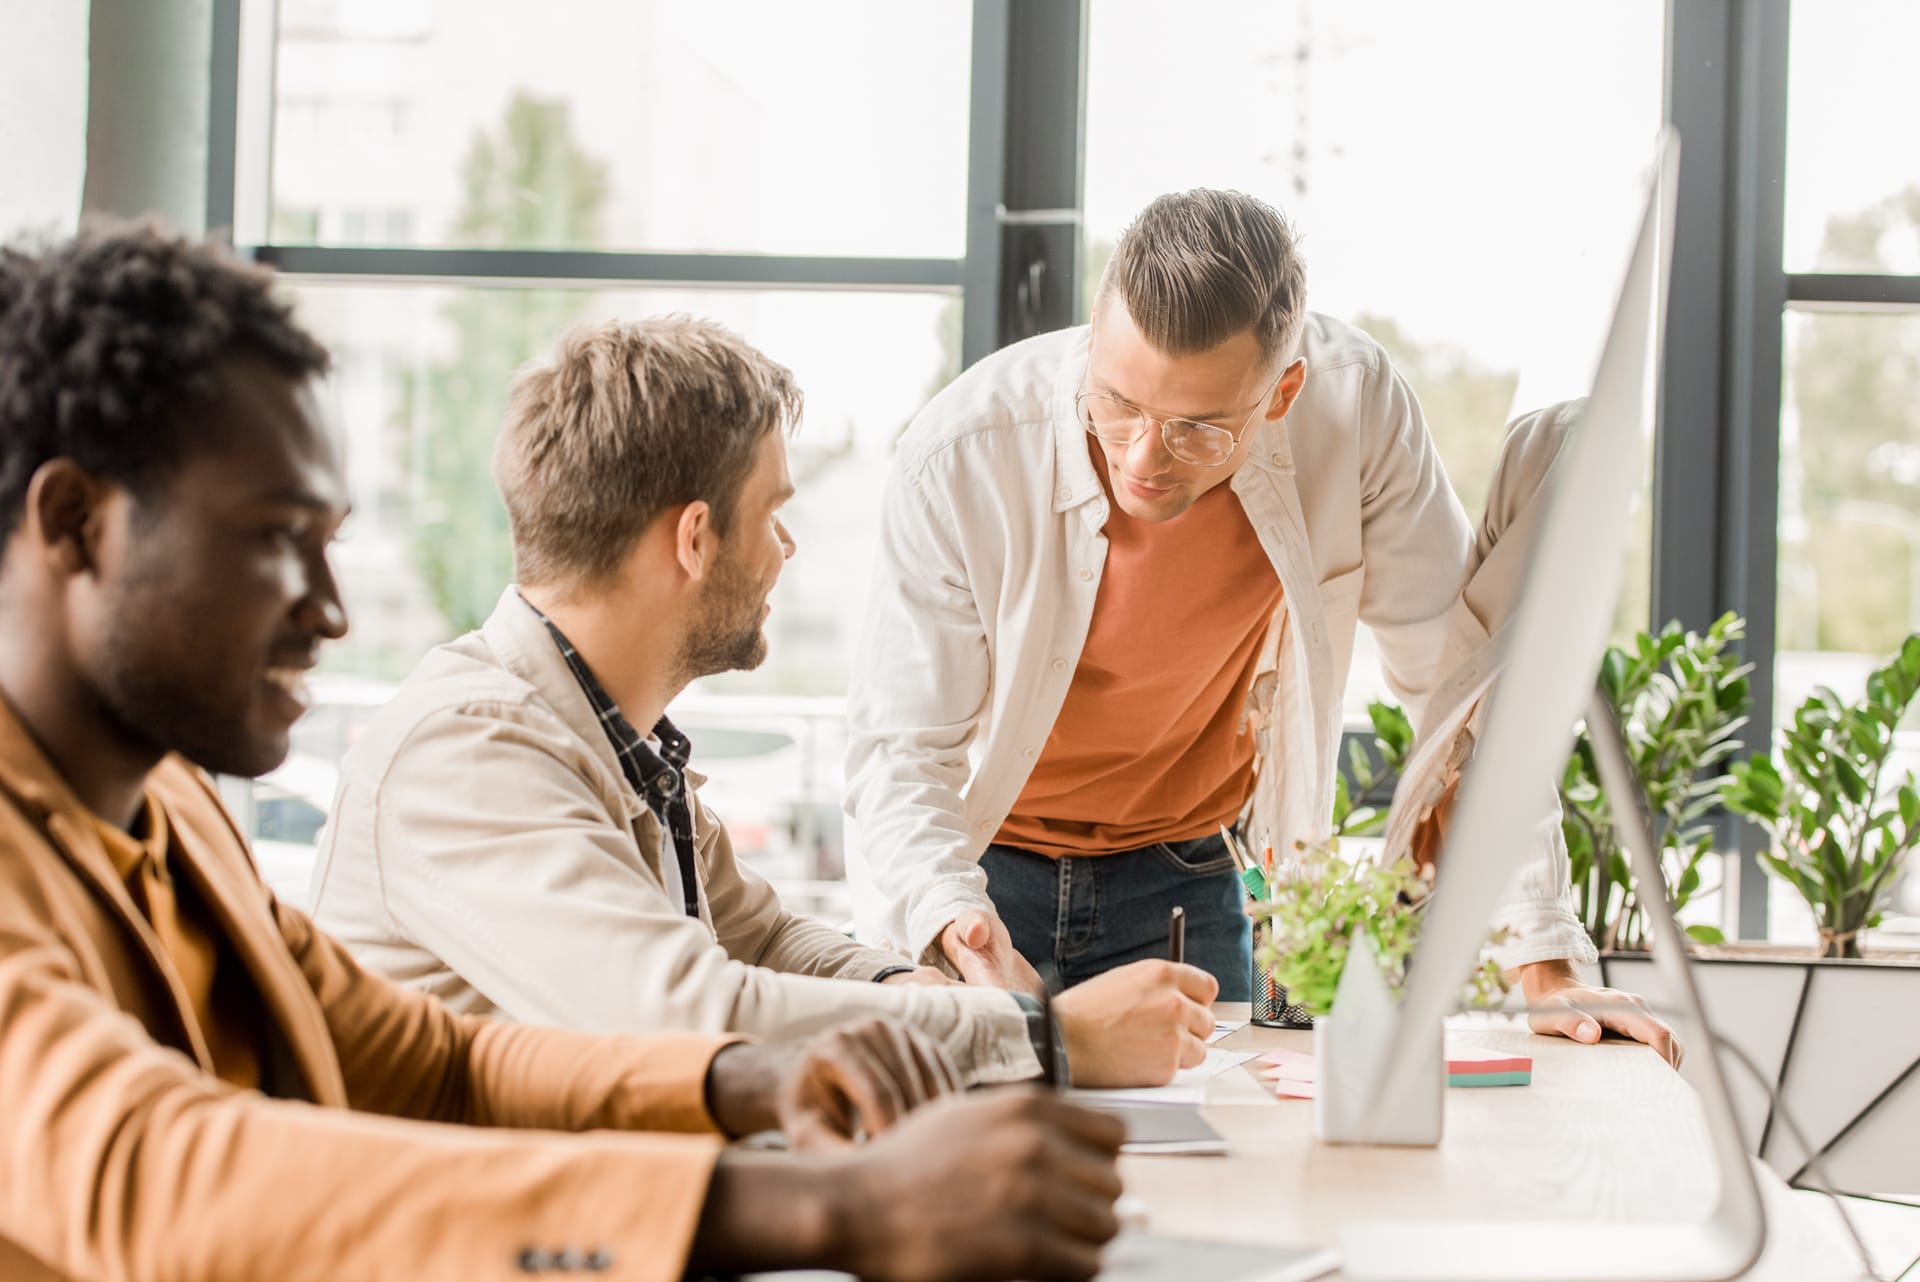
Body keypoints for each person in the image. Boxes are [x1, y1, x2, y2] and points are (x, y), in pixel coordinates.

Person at [0, 221, 1127, 1282]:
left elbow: (442, 1062)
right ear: (73, 525)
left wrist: (756, 1076)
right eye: (275, 540)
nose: (334, 612)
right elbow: (166, 1171)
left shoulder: (172, 812)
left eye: (329, 542)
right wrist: (832, 1207)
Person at [843, 188, 1672, 1056]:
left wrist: (1544, 962)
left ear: (1282, 394)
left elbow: (1459, 689)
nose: (1142, 458)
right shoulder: (962, 452)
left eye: (1198, 429)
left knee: (1221, 1157)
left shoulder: (1354, 415)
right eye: (1117, 403)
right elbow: (903, 751)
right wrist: (953, 926)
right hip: (981, 870)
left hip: (1186, 875)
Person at [309, 315, 1217, 1091]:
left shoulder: (608, 734)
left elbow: (761, 937)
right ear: (695, 539)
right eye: (773, 512)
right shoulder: (468, 754)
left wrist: (911, 986)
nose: (786, 547)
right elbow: (689, 1013)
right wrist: (1045, 1041)